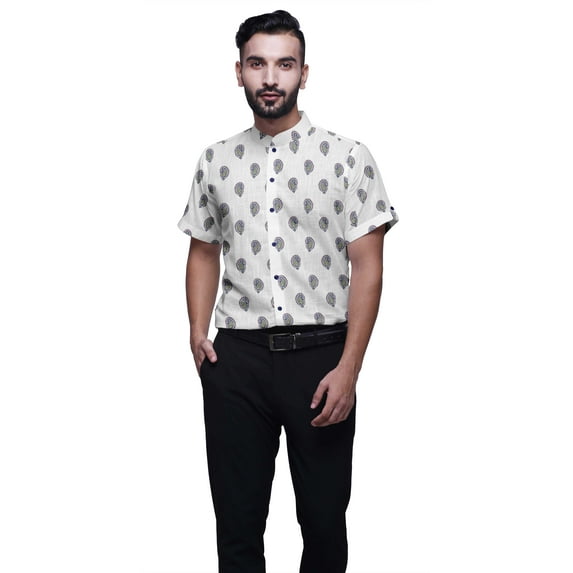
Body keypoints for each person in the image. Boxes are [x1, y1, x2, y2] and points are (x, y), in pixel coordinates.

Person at [178, 10, 398, 573]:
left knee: (323, 523)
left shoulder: (348, 157)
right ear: (239, 72)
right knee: (236, 524)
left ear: (304, 72)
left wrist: (349, 368)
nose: (271, 77)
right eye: (257, 64)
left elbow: (368, 268)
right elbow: (203, 249)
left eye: (284, 64)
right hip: (237, 361)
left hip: (321, 359)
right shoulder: (214, 160)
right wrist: (198, 333)